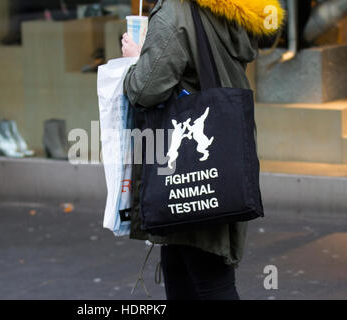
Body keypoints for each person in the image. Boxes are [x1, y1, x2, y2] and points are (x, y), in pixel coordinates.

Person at [122, 0, 284, 300]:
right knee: (182, 265)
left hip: (187, 164)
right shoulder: (238, 8)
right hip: (219, 156)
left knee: (210, 278)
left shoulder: (175, 11)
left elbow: (145, 89)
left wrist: (135, 60)